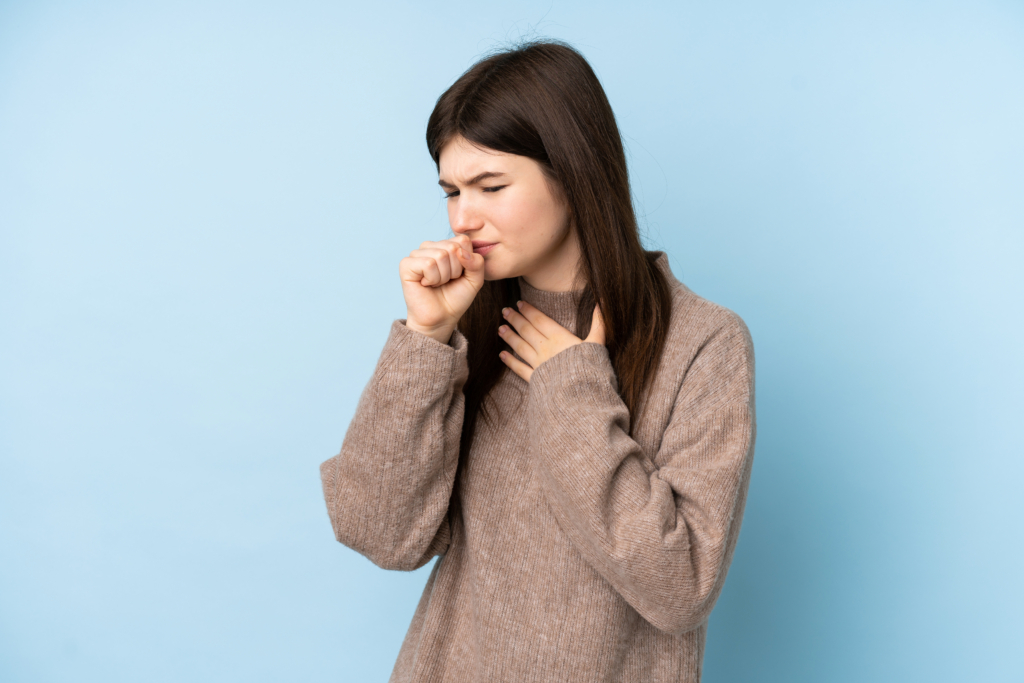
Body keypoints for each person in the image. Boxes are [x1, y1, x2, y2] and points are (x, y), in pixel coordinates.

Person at [320, 39, 756, 683]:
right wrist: (425, 339)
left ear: (574, 173)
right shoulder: (463, 328)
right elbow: (379, 532)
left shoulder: (703, 343)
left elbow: (678, 588)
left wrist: (571, 389)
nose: (463, 218)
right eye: (451, 191)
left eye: (491, 185)